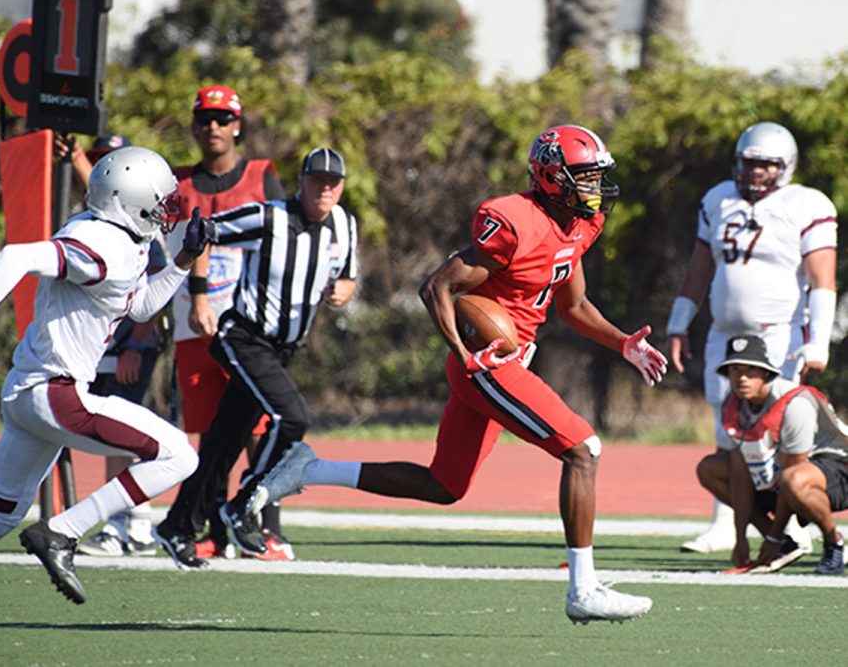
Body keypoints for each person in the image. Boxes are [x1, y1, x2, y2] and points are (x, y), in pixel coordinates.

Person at [221, 126, 668, 623]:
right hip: (490, 364)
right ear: (550, 177)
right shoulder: (515, 222)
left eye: (595, 178)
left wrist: (623, 342)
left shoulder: (581, 224)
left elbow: (575, 304)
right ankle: (583, 589)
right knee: (584, 450)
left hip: (501, 363)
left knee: (445, 485)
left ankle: (309, 469)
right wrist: (466, 352)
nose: (594, 188)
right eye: (584, 177)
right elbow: (437, 287)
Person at [0, 146, 216, 603]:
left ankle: (54, 532)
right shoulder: (103, 243)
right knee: (180, 456)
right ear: (128, 200)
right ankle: (63, 532)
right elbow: (15, 257)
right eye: (159, 201)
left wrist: (183, 261)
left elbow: (140, 305)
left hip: (29, 393)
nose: (166, 211)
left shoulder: (123, 239)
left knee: (0, 517)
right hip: (55, 392)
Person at [156, 147, 358, 569]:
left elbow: (348, 275)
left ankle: (177, 525)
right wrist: (197, 292)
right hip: (244, 338)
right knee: (294, 418)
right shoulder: (269, 217)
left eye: (332, 182)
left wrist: (344, 291)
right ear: (300, 182)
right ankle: (245, 501)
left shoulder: (343, 224)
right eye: (316, 180)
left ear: (340, 188)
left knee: (223, 440)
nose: (324, 189)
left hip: (283, 351)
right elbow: (205, 229)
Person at [666, 121, 838, 554]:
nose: (755, 172)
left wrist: (818, 342)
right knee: (727, 432)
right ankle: (726, 522)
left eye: (765, 165)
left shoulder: (807, 204)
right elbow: (699, 268)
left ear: (785, 167)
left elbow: (822, 281)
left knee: (783, 433)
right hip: (726, 335)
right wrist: (678, 323)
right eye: (749, 163)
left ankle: (796, 520)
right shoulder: (718, 199)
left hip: (781, 335)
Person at [162, 85, 285, 561]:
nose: (212, 126)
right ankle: (212, 528)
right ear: (194, 127)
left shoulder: (260, 176)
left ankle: (266, 528)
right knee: (206, 433)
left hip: (249, 327)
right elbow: (156, 247)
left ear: (237, 126)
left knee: (257, 428)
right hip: (193, 327)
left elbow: (283, 244)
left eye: (222, 117)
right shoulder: (177, 183)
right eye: (204, 118)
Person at [55, 133, 166, 557]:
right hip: (97, 347)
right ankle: (127, 524)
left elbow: (153, 290)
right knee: (109, 437)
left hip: (127, 346)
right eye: (96, 162)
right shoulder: (92, 220)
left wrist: (137, 346)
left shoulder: (141, 221)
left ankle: (131, 526)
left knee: (124, 437)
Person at [699, 335, 847, 575]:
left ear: (766, 373)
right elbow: (739, 474)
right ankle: (786, 544)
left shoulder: (794, 404)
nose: (742, 377)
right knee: (710, 469)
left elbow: (792, 473)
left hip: (836, 468)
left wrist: (773, 538)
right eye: (735, 369)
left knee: (793, 481)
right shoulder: (734, 404)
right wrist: (741, 538)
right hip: (790, 473)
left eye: (751, 370)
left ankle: (834, 541)